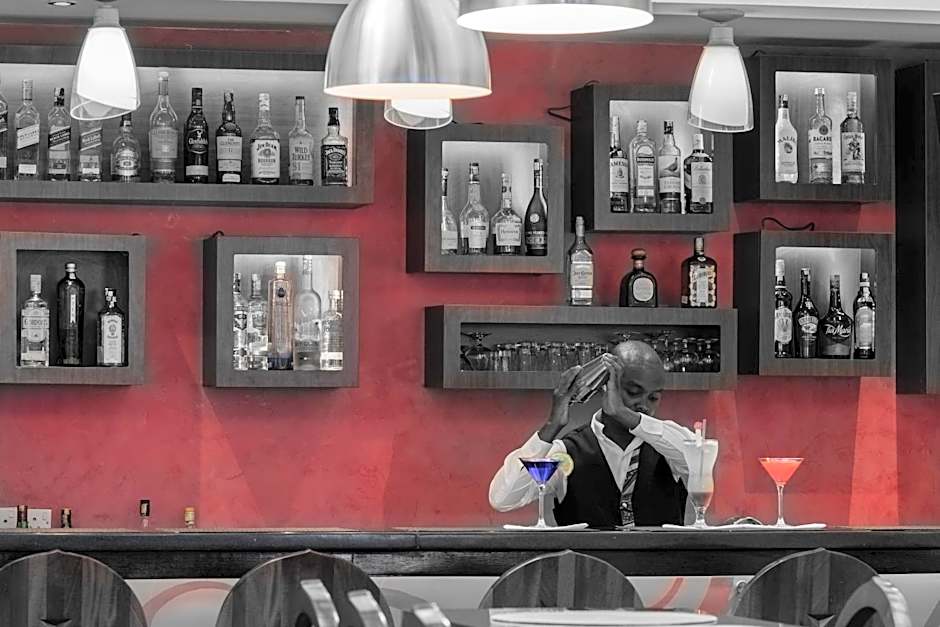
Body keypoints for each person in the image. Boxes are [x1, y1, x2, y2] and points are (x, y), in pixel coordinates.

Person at [489, 341, 696, 528]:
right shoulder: (567, 452)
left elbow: (698, 460)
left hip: (660, 560)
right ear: (605, 385)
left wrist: (623, 413)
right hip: (585, 560)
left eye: (653, 398)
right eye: (633, 392)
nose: (644, 405)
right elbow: (502, 499)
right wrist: (552, 425)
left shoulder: (668, 444)